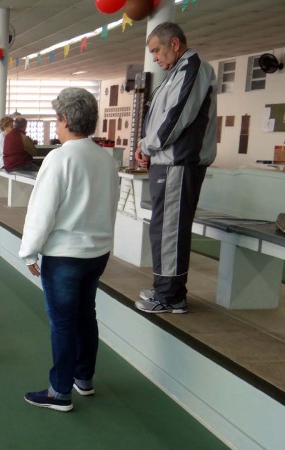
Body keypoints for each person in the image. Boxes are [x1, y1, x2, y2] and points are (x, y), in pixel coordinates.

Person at [19, 87, 119, 412]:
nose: (56, 124)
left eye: (56, 118)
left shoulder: (59, 158)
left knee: (63, 323)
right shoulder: (106, 159)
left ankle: (59, 392)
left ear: (64, 118)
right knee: (86, 315)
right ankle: (83, 379)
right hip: (97, 254)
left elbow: (42, 211)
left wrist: (29, 251)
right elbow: (111, 205)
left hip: (64, 257)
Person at [133, 22, 217, 314]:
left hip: (178, 164)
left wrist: (147, 146)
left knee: (169, 231)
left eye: (157, 50)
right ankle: (165, 288)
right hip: (167, 163)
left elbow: (175, 118)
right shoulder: (176, 73)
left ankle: (170, 296)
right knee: (162, 229)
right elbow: (161, 119)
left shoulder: (193, 68)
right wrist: (145, 144)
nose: (155, 57)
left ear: (175, 44)